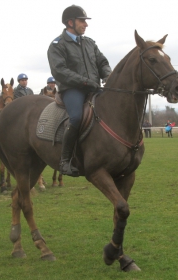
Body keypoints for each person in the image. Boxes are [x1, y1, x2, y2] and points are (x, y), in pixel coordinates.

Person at [47, 5, 112, 177]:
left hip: (94, 87)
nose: (86, 24)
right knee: (76, 117)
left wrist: (108, 75)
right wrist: (85, 82)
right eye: (82, 21)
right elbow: (59, 70)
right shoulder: (57, 45)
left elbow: (102, 62)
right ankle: (65, 160)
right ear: (70, 22)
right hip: (73, 90)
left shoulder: (90, 43)